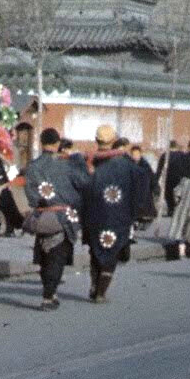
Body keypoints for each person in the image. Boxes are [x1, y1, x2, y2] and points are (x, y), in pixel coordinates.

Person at [79, 126, 153, 303]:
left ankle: (94, 284)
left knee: (94, 250)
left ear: (97, 140)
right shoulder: (126, 164)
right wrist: (138, 211)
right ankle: (101, 292)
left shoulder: (88, 161)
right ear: (113, 141)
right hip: (118, 216)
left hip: (93, 215)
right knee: (112, 253)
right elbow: (142, 182)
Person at [25, 128, 88, 309]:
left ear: (41, 142)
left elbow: (31, 196)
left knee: (44, 256)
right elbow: (83, 184)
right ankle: (49, 294)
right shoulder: (66, 164)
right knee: (57, 257)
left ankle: (49, 290)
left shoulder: (32, 166)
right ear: (58, 143)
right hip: (64, 216)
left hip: (42, 216)